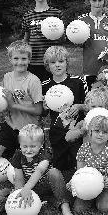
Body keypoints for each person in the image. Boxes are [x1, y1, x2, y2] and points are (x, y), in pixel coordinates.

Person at [0, 40, 43, 164]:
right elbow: (5, 101)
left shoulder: (33, 81)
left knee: (30, 166)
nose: (20, 62)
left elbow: (38, 110)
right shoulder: (7, 77)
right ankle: (14, 147)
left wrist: (14, 105)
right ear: (10, 59)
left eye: (24, 58)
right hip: (10, 125)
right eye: (16, 58)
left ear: (29, 60)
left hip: (29, 129)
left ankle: (22, 148)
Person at [41, 46, 88, 174]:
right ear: (47, 65)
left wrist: (79, 106)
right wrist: (44, 108)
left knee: (78, 163)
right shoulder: (44, 86)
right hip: (57, 130)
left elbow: (89, 106)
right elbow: (43, 113)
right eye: (53, 62)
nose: (57, 65)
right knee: (59, 165)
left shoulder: (78, 82)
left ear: (67, 63)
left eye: (61, 61)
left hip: (77, 129)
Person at [68, 115, 108, 213]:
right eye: (97, 131)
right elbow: (80, 171)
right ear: (90, 132)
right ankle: (92, 197)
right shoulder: (83, 148)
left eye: (104, 132)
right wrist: (73, 182)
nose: (100, 134)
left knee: (104, 208)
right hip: (88, 183)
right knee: (78, 209)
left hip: (105, 184)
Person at [22, 0, 63, 82]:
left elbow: (62, 39)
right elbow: (26, 39)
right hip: (33, 62)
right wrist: (23, 56)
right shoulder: (28, 15)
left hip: (52, 62)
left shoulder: (56, 14)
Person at [77, 0, 108, 91]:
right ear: (89, 0)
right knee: (90, 99)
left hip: (106, 68)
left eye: (100, 0)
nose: (97, 3)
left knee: (106, 98)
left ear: (104, 1)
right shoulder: (82, 21)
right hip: (89, 68)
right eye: (94, 0)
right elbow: (78, 43)